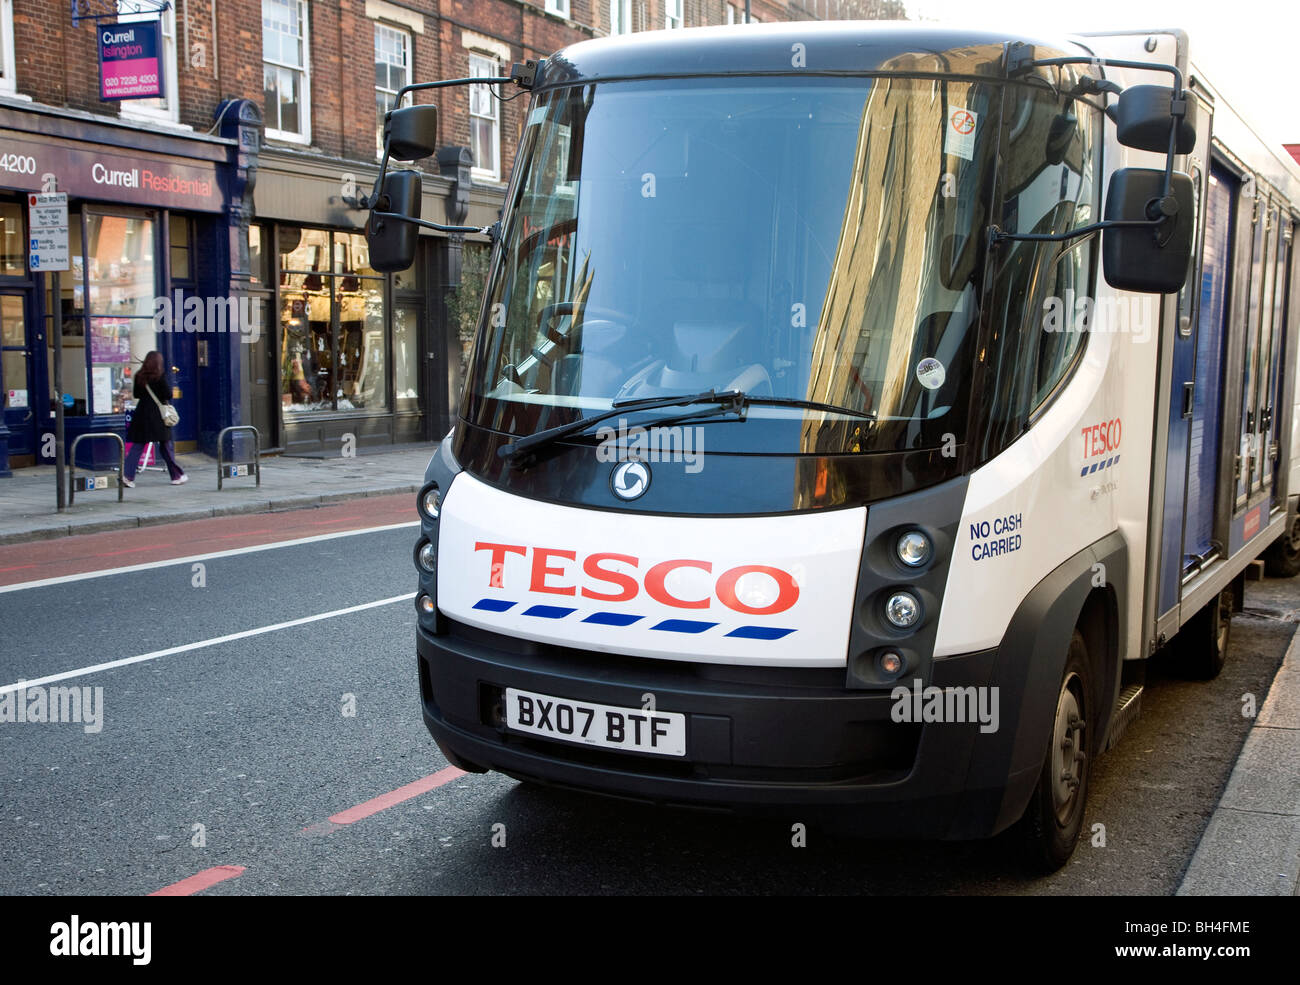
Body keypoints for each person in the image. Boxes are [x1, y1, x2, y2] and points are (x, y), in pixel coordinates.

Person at [123, 351, 187, 487]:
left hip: (142, 414)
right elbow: (168, 394)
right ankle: (176, 476)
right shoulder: (159, 377)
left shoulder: (139, 376)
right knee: (166, 446)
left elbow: (136, 394)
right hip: (158, 416)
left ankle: (127, 476)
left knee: (137, 446)